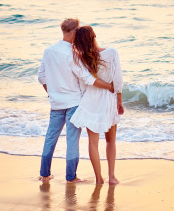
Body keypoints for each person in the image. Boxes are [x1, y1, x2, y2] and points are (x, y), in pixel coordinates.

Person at [37, 18, 114, 182]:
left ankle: (44, 175)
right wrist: (109, 86)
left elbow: (41, 77)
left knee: (51, 138)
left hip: (56, 103)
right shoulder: (73, 54)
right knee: (72, 141)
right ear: (75, 31)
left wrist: (51, 93)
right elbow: (88, 79)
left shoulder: (48, 51)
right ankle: (71, 177)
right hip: (73, 103)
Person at [69, 25, 125, 185]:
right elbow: (118, 79)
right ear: (94, 35)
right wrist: (119, 100)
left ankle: (99, 179)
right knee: (111, 140)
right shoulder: (112, 52)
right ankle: (112, 177)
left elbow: (85, 83)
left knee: (93, 143)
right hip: (108, 100)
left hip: (90, 102)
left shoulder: (79, 59)